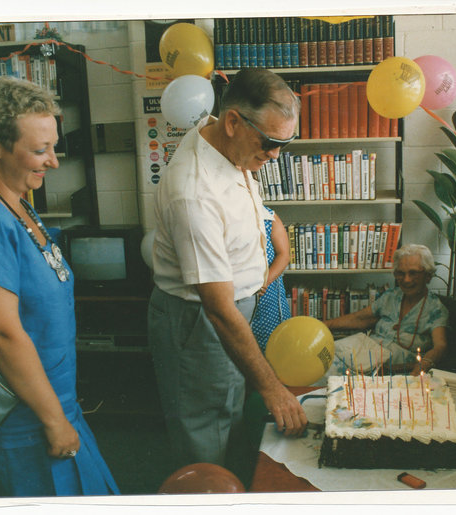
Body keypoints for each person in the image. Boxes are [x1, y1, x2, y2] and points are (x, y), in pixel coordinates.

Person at [0, 76, 118, 497]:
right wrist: (54, 420)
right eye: (40, 151)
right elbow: (0, 333)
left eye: (53, 147)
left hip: (54, 406)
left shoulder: (17, 204)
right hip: (24, 423)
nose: (53, 162)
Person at [148, 68, 307, 469]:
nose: (275, 156)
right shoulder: (194, 192)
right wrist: (271, 388)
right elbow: (218, 307)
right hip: (201, 318)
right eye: (270, 143)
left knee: (230, 415)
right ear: (234, 121)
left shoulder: (224, 140)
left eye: (285, 144)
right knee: (206, 431)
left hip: (231, 309)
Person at [323, 244, 449, 376]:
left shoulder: (436, 309)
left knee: (328, 376)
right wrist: (322, 325)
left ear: (427, 276)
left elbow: (440, 346)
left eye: (413, 273)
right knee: (323, 358)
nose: (406, 280)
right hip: (365, 352)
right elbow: (360, 318)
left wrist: (418, 373)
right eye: (400, 273)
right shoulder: (391, 295)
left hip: (392, 368)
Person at [250, 207, 292, 351]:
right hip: (234, 298)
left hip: (268, 299)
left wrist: (263, 282)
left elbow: (284, 255)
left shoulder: (268, 217)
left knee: (275, 350)